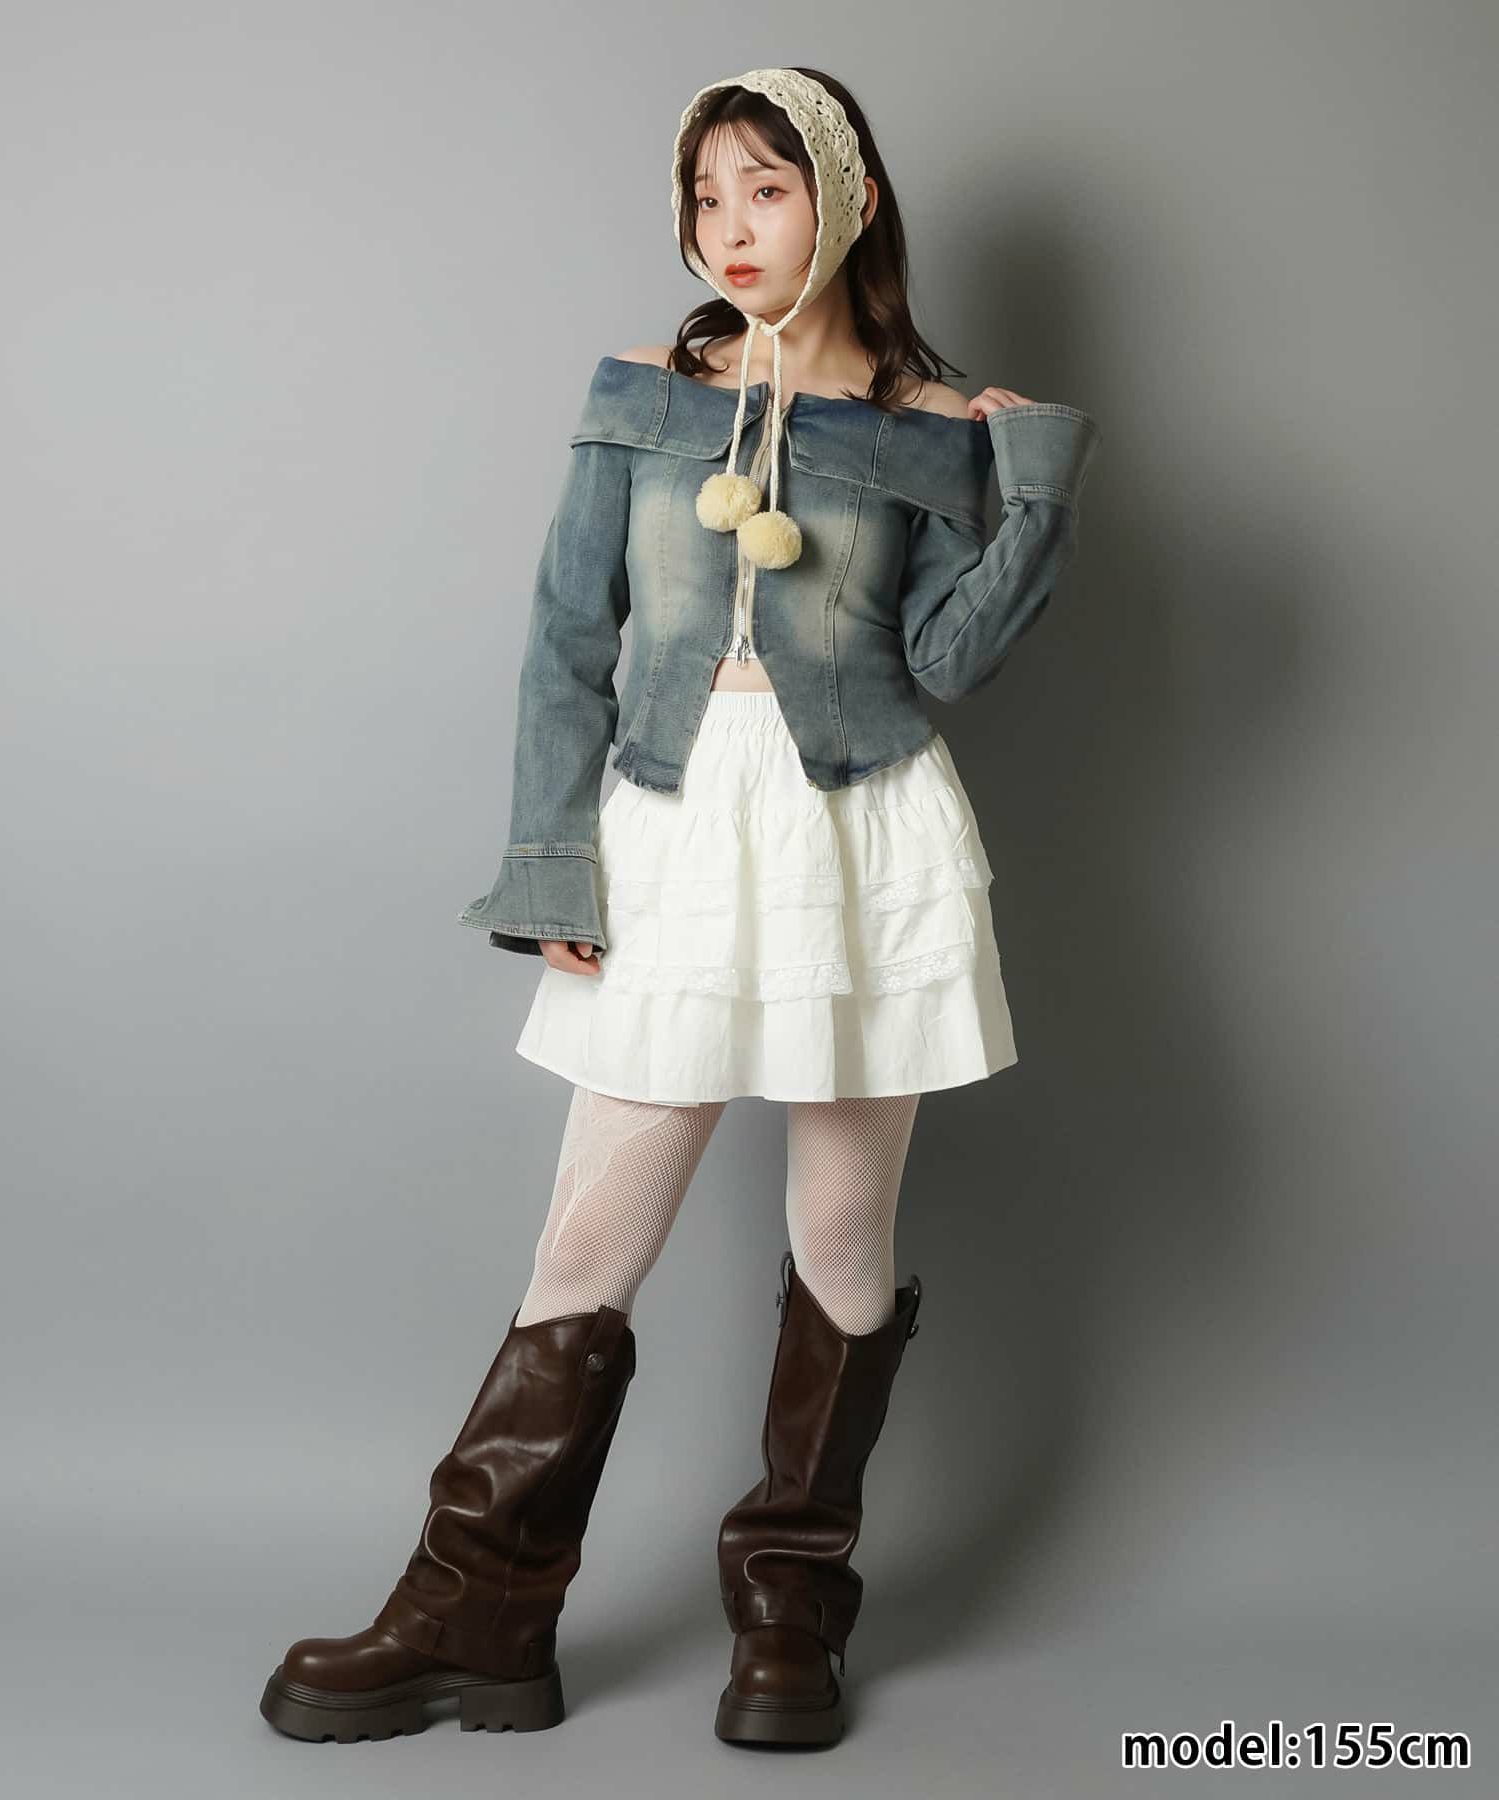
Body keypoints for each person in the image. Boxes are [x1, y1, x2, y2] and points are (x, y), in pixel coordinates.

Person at [260, 65, 1101, 1751]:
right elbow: (568, 639)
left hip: (862, 834)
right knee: (587, 1242)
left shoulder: (932, 426)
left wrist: (1033, 480)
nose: (730, 227)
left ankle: (791, 1613)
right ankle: (478, 1615)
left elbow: (945, 663)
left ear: (847, 200)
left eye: (765, 189)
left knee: (842, 1241)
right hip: (670, 825)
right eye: (707, 196)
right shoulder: (646, 396)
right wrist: (550, 862)